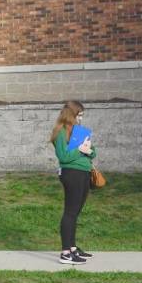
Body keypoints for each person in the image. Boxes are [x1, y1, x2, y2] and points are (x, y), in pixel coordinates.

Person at [51, 100, 97, 265]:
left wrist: (89, 150)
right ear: (71, 114)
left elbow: (93, 153)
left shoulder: (79, 132)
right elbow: (63, 157)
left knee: (75, 212)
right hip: (72, 174)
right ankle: (65, 253)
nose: (81, 119)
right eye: (79, 115)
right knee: (70, 212)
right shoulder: (61, 132)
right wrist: (79, 150)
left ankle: (72, 248)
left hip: (84, 173)